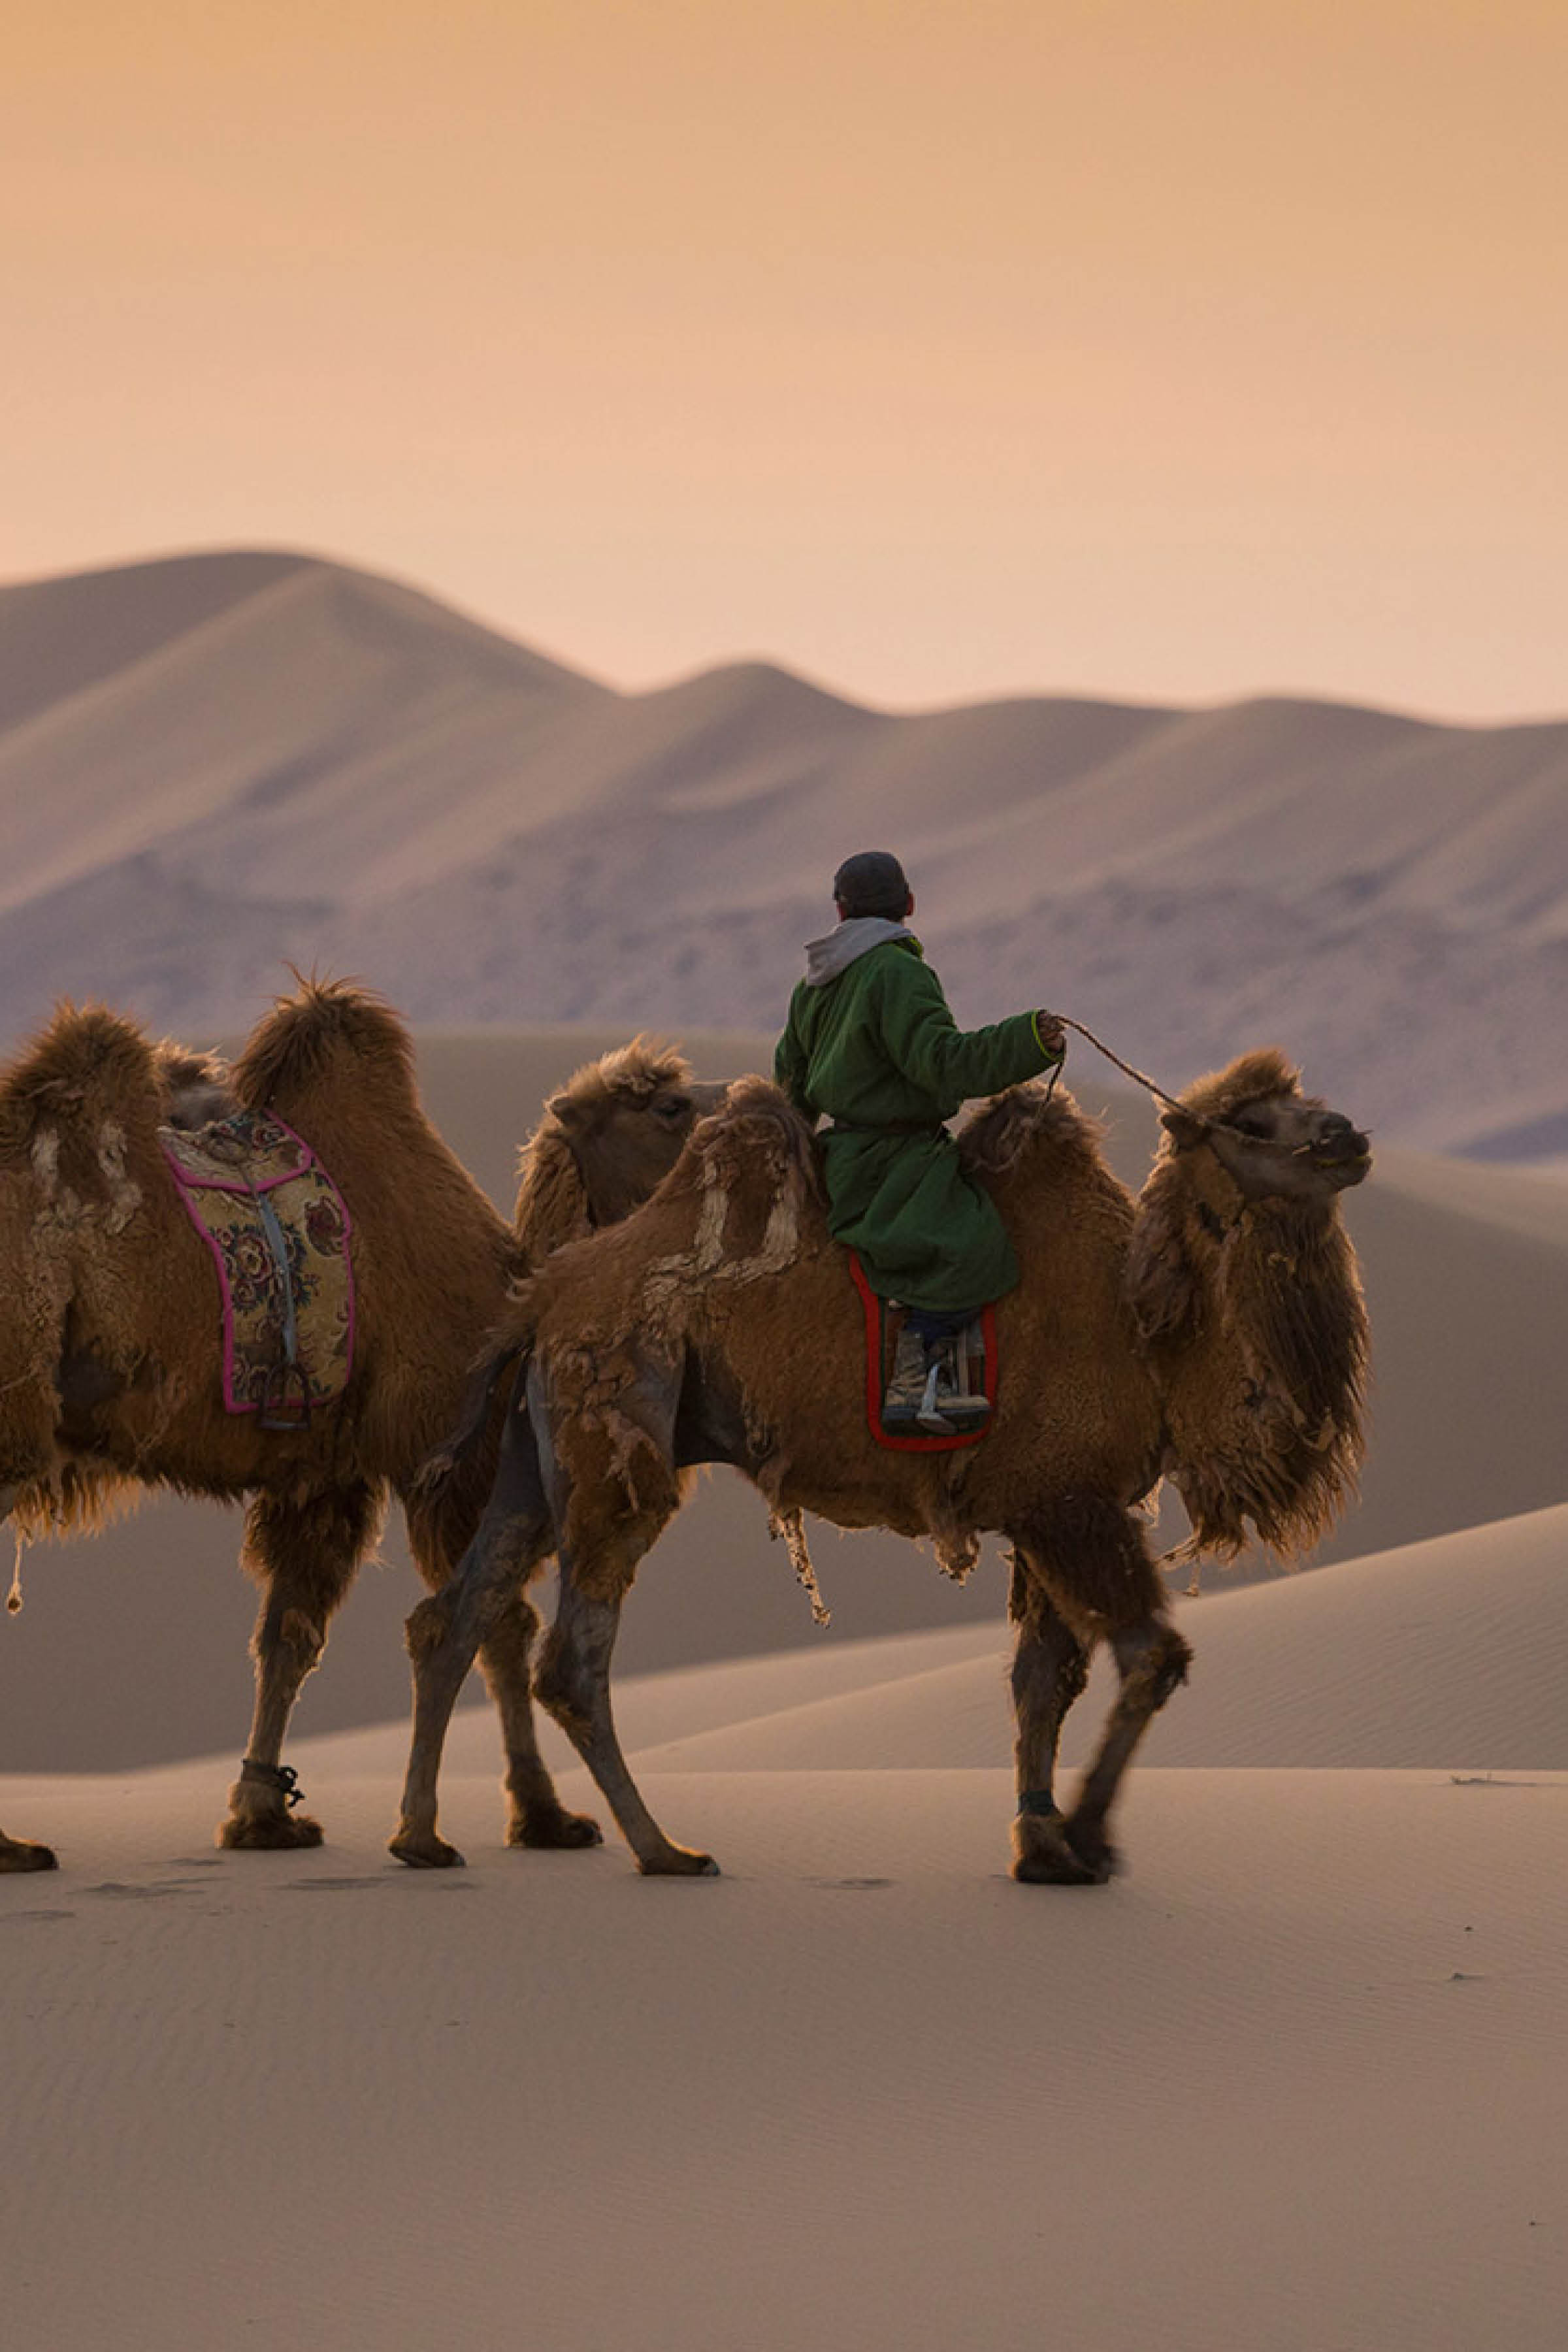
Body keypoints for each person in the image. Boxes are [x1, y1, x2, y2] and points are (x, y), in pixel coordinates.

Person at [775, 850, 1066, 1431]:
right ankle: (921, 1381)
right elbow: (943, 1065)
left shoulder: (814, 986)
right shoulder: (896, 972)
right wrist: (1028, 1040)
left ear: (839, 909)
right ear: (909, 905)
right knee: (972, 1243)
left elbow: (791, 1088)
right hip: (895, 1167)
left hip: (845, 1162)